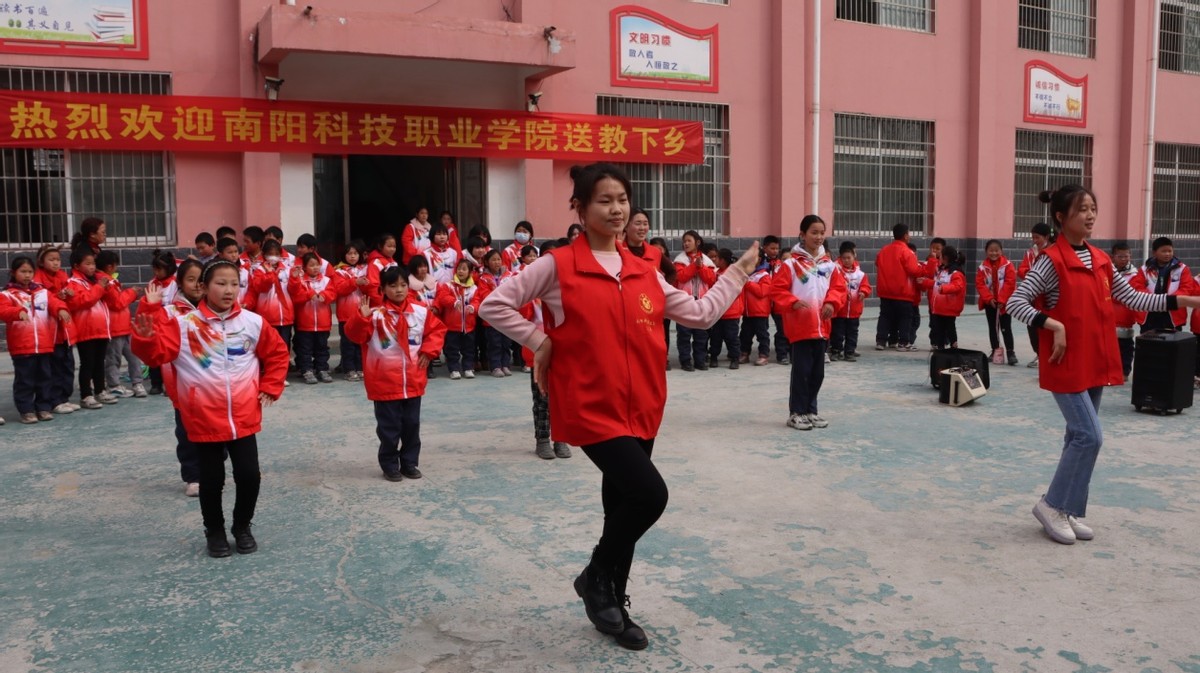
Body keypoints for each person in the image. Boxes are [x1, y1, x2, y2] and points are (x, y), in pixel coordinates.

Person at [479, 162, 757, 651]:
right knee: (650, 496)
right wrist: (540, 340)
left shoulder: (643, 269)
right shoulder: (558, 265)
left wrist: (737, 272)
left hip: (644, 404)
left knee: (620, 504)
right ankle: (596, 578)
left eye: (622, 200)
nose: (616, 209)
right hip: (591, 406)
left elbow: (700, 314)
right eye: (604, 201)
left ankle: (612, 600)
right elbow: (494, 305)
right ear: (581, 209)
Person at [1007, 185, 1200, 545]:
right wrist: (1054, 325)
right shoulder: (1050, 261)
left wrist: (1183, 299)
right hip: (1064, 363)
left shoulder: (1099, 259)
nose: (1091, 215)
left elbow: (1132, 296)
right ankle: (1051, 505)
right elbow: (1016, 301)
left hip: (1094, 358)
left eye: (1093, 208)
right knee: (1089, 435)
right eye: (1082, 210)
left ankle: (1069, 509)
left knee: (1075, 437)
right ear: (1061, 218)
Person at [132, 259, 289, 557]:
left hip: (244, 416)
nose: (229, 290)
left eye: (234, 284)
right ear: (203, 287)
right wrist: (146, 330)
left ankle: (242, 526)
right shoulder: (183, 324)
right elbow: (155, 354)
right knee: (211, 481)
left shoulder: (252, 323)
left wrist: (271, 386)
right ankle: (214, 531)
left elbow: (278, 353)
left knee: (249, 475)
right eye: (221, 283)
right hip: (203, 417)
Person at [345, 266, 446, 482]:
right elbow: (355, 336)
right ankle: (390, 464)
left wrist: (429, 352)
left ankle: (409, 463)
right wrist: (361, 318)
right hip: (384, 382)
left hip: (413, 380)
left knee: (411, 426)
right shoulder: (373, 315)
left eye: (402, 285)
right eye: (392, 286)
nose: (399, 290)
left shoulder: (420, 311)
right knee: (388, 429)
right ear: (382, 289)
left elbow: (436, 331)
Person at [772, 215, 847, 431]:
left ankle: (811, 411)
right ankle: (796, 412)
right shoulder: (791, 264)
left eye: (822, 232)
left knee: (817, 373)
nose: (819, 236)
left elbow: (838, 289)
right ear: (802, 235)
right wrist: (792, 302)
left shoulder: (830, 266)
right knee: (801, 372)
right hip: (801, 328)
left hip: (822, 328)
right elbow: (777, 290)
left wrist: (832, 303)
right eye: (814, 232)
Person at [139, 259, 205, 496]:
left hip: (215, 387)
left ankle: (211, 470)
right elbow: (151, 340)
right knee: (186, 433)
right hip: (183, 388)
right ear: (180, 283)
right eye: (190, 279)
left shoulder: (217, 311)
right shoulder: (169, 313)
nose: (197, 285)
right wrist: (150, 306)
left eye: (201, 279)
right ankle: (193, 476)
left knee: (219, 437)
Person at [1, 256, 72, 424]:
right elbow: (3, 310)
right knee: (25, 379)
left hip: (44, 345)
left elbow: (54, 302)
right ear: (13, 273)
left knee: (44, 378)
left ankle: (43, 407)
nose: (27, 275)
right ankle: (26, 410)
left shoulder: (42, 292)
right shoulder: (7, 294)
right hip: (22, 346)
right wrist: (17, 313)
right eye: (23, 271)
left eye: (30, 272)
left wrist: (61, 309)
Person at [65, 246, 116, 409]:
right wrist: (100, 287)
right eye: (87, 263)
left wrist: (108, 286)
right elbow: (84, 300)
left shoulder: (95, 281)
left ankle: (100, 390)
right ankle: (86, 394)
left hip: (101, 329)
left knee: (99, 362)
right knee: (87, 363)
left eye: (93, 263)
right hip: (86, 331)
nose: (92, 267)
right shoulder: (73, 283)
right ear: (76, 266)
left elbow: (109, 299)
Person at [96, 250, 147, 399]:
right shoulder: (105, 281)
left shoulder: (109, 280)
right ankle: (114, 385)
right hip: (114, 328)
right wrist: (131, 293)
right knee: (114, 358)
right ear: (110, 266)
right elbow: (118, 303)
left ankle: (137, 382)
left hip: (124, 327)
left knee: (134, 356)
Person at [34, 245, 78, 414]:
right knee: (54, 366)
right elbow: (46, 300)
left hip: (64, 328)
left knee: (67, 364)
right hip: (50, 329)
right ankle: (55, 400)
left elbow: (70, 300)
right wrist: (59, 302)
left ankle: (64, 398)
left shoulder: (63, 276)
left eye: (58, 259)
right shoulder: (37, 280)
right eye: (51, 260)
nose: (56, 263)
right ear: (41, 262)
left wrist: (70, 296)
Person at [874, 223, 927, 351]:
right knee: (905, 318)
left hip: (885, 291)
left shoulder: (884, 250)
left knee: (885, 316)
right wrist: (924, 269)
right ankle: (903, 342)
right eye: (908, 233)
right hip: (903, 292)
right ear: (905, 236)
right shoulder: (907, 252)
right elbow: (914, 270)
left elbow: (877, 263)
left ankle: (881, 341)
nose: (909, 236)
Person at [289, 253, 338, 384]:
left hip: (322, 323)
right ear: (304, 267)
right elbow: (296, 297)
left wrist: (324, 295)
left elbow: (332, 293)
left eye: (317, 264)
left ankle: (322, 369)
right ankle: (307, 370)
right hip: (305, 323)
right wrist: (308, 295)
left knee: (322, 348)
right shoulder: (300, 281)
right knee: (305, 349)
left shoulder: (326, 280)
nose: (315, 267)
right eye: (311, 265)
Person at [1129, 236, 1195, 333]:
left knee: (1172, 345)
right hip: (1149, 313)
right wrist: (1152, 301)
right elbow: (1137, 287)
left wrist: (1167, 301)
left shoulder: (1182, 269)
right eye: (1164, 251)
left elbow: (1187, 289)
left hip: (1172, 313)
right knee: (1148, 345)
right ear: (1154, 253)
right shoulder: (1145, 269)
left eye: (1170, 251)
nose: (1167, 254)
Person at [673, 230, 717, 371]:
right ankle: (685, 361)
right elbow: (681, 277)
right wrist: (694, 266)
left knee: (701, 334)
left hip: (701, 301)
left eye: (689, 241)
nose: (685, 243)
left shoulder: (707, 261)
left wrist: (701, 267)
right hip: (684, 301)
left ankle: (700, 360)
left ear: (697, 243)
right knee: (684, 333)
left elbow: (710, 279)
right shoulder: (679, 261)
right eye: (684, 241)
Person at [434, 259, 482, 380]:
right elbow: (443, 298)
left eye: (464, 269)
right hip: (452, 326)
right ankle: (454, 369)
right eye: (459, 268)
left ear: (470, 272)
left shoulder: (474, 288)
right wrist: (454, 302)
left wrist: (473, 307)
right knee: (452, 350)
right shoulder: (448, 285)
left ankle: (467, 368)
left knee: (469, 349)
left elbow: (477, 301)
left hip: (469, 326)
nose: (461, 271)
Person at [976, 239, 1018, 365]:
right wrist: (989, 299)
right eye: (991, 250)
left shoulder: (1008, 265)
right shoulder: (982, 267)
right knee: (993, 328)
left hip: (1004, 304)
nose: (994, 253)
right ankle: (995, 350)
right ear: (986, 252)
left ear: (1001, 251)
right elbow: (980, 284)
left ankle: (1010, 352)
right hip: (990, 304)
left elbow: (1010, 283)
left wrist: (1002, 300)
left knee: (1006, 328)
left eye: (996, 250)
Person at [1017, 222, 1053, 368]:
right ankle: (1039, 354)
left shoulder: (1054, 252)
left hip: (1048, 299)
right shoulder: (1030, 253)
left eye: (1037, 237)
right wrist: (1031, 275)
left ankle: (1047, 355)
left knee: (1047, 327)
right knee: (1032, 327)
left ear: (1046, 237)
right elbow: (1021, 270)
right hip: (1033, 297)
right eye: (1033, 237)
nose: (1035, 241)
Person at [333, 240, 369, 381]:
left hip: (362, 313)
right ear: (344, 255)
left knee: (360, 342)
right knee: (348, 344)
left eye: (355, 253)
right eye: (349, 254)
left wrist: (365, 284)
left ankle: (360, 368)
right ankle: (349, 369)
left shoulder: (365, 269)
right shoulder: (338, 271)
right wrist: (355, 282)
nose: (352, 256)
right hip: (346, 315)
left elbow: (370, 288)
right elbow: (339, 289)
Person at [830, 241, 870, 362]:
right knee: (837, 332)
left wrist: (863, 292)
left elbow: (866, 286)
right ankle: (836, 351)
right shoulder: (836, 271)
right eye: (844, 258)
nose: (846, 260)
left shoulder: (860, 274)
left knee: (852, 333)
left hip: (854, 310)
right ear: (840, 258)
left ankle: (850, 352)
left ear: (854, 258)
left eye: (849, 258)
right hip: (840, 310)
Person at [478, 249, 515, 376]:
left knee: (506, 342)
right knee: (495, 343)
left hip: (507, 314)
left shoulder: (509, 275)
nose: (496, 262)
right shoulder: (483, 278)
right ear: (487, 262)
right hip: (492, 317)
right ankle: (495, 366)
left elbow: (514, 291)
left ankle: (505, 365)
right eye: (493, 260)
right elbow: (484, 295)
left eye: (498, 259)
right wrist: (500, 297)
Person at [707, 248, 743, 369]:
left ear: (722, 260)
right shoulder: (717, 273)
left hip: (730, 312)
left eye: (716, 257)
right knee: (715, 337)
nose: (714, 259)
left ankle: (734, 358)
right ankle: (713, 357)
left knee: (731, 337)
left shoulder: (731, 274)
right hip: (718, 312)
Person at [1110, 243, 1140, 380]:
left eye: (1126, 256)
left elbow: (1133, 295)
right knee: (1109, 345)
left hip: (1126, 315)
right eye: (1120, 256)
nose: (1124, 259)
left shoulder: (1135, 275)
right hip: (1108, 315)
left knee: (1126, 346)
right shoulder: (1107, 271)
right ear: (1113, 257)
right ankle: (1110, 370)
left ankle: (1124, 371)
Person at [928, 246, 967, 350]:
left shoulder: (956, 273)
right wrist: (925, 282)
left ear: (945, 257)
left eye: (940, 255)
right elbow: (937, 283)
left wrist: (944, 289)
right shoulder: (942, 270)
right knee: (939, 329)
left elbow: (957, 286)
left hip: (949, 307)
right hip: (939, 307)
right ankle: (941, 349)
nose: (938, 257)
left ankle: (954, 347)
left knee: (950, 328)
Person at [364, 233, 398, 306]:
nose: (392, 249)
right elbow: (373, 286)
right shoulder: (375, 263)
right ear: (380, 246)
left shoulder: (394, 263)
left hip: (393, 303)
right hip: (381, 304)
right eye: (389, 246)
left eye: (394, 246)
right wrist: (379, 303)